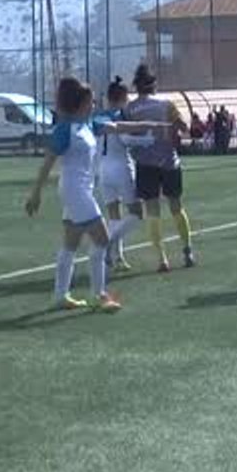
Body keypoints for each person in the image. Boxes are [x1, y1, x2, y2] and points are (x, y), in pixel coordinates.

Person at [25, 76, 171, 311]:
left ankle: (60, 296)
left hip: (81, 190)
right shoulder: (65, 129)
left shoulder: (89, 124)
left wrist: (151, 126)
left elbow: (120, 127)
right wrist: (36, 194)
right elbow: (48, 162)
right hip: (75, 191)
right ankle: (100, 295)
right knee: (102, 239)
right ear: (81, 104)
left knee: (70, 245)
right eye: (91, 102)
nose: (94, 105)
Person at [125, 64, 194, 271]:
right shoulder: (166, 104)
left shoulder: (129, 109)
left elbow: (127, 135)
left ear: (136, 86)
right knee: (176, 206)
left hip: (144, 163)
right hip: (168, 161)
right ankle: (187, 251)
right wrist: (174, 132)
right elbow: (184, 127)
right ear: (154, 84)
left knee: (152, 211)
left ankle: (162, 259)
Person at [96, 77, 149, 272]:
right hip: (121, 168)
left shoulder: (98, 116)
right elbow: (126, 138)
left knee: (114, 216)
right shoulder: (121, 115)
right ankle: (108, 243)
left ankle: (117, 257)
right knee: (136, 214)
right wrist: (148, 139)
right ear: (124, 97)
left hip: (103, 170)